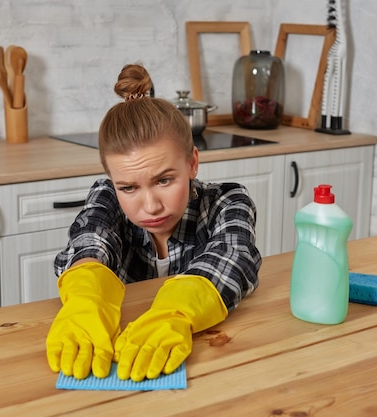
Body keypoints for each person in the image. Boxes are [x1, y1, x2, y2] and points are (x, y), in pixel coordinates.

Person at [45, 63, 261, 382]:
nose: (150, 206)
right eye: (128, 187)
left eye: (164, 180)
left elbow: (235, 257)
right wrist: (86, 297)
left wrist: (174, 313)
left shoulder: (227, 201)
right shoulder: (106, 196)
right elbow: (91, 240)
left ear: (192, 163)